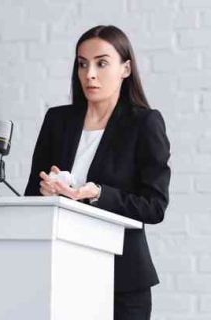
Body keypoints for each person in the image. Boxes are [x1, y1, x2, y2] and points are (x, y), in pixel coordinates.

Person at [24, 25, 171, 320]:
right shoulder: (57, 120)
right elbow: (31, 194)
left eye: (101, 63)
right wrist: (48, 190)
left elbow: (155, 207)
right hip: (60, 274)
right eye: (82, 63)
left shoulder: (144, 123)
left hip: (122, 281)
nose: (89, 73)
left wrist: (99, 194)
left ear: (125, 69)